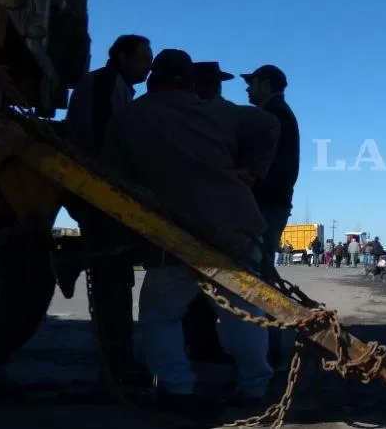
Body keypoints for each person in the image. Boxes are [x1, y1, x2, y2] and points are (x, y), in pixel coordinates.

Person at [101, 49, 278, 419]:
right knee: (243, 311)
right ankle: (254, 387)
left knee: (160, 315)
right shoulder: (217, 111)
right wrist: (252, 170)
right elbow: (268, 125)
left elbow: (114, 175)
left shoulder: (130, 117)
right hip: (236, 222)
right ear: (192, 82)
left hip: (174, 230)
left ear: (152, 79)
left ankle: (177, 388)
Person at [63, 33, 153, 388]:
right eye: (143, 59)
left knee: (114, 277)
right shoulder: (104, 85)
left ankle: (118, 358)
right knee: (111, 277)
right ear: (121, 56)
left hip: (104, 194)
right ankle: (117, 363)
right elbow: (104, 142)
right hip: (102, 195)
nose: (148, 66)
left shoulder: (114, 86)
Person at [241, 64, 299, 278]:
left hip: (263, 203)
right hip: (274, 202)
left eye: (251, 84)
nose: (247, 90)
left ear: (265, 84)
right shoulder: (280, 112)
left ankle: (257, 312)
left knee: (251, 272)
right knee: (260, 269)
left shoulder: (271, 114)